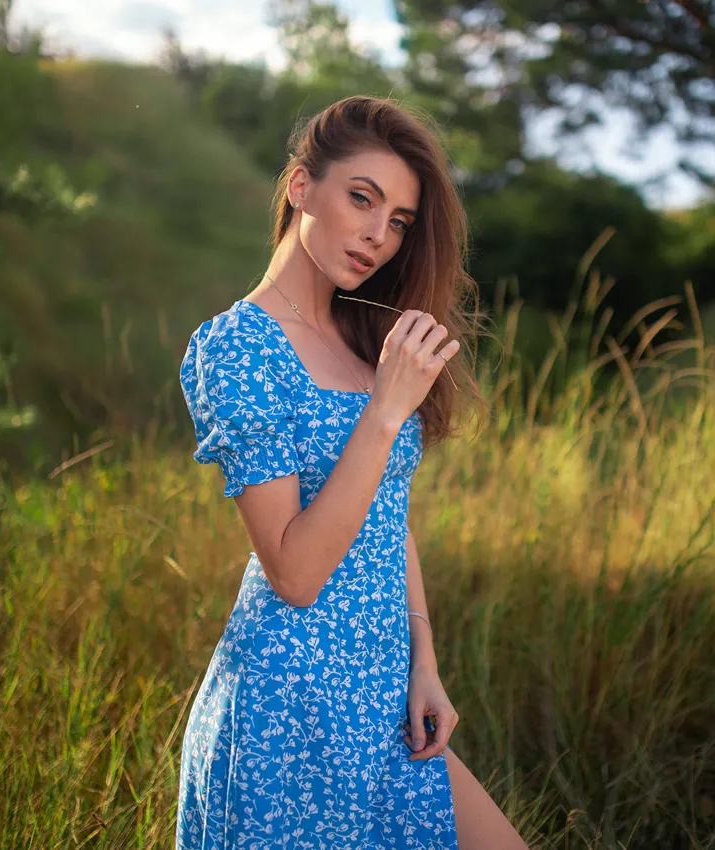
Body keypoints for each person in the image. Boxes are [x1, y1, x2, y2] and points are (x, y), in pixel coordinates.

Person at [175, 96, 530, 849]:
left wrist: (423, 662)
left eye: (399, 220)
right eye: (362, 199)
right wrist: (383, 412)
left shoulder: (366, 342)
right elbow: (295, 573)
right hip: (289, 707)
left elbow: (385, 514)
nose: (378, 234)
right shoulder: (239, 347)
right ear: (302, 188)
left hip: (382, 691)